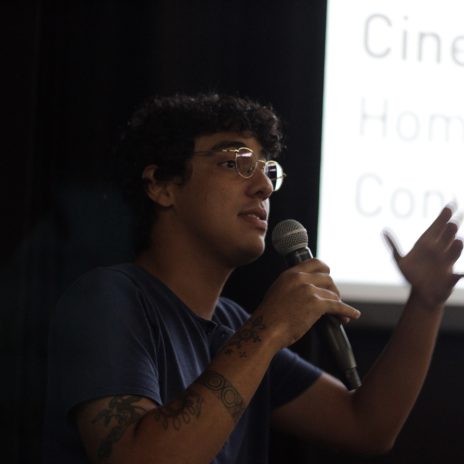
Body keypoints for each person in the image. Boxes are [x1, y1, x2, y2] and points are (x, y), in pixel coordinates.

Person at [42, 93, 463, 464]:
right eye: (234, 163)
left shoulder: (233, 326)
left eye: (267, 170)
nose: (263, 186)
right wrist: (270, 328)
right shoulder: (109, 298)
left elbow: (366, 426)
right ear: (162, 186)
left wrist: (425, 303)